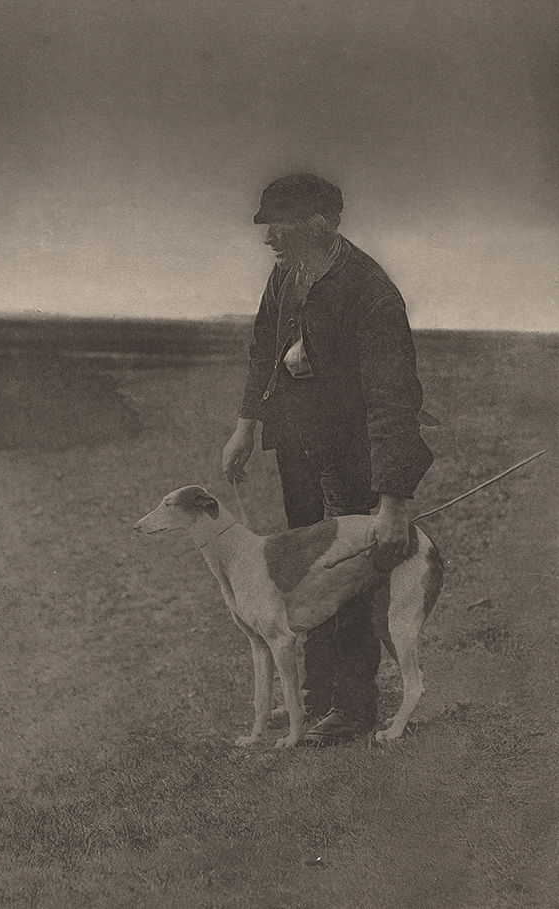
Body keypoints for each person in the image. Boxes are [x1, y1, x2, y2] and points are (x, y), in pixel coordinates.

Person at [222, 173, 433, 745]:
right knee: (306, 568)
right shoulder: (284, 275)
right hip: (297, 446)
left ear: (318, 224)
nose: (268, 238)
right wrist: (247, 427)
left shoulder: (371, 291)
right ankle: (314, 696)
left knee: (351, 576)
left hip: (352, 455)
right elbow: (265, 351)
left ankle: (352, 708)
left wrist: (392, 503)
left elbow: (394, 399)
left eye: (279, 225)